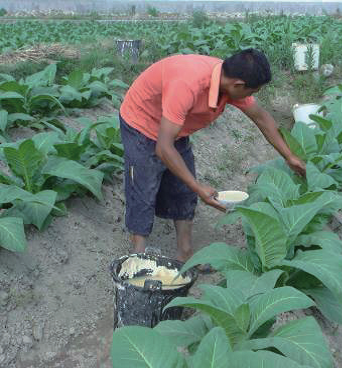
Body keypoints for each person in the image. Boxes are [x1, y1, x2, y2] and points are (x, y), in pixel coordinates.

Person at [119, 49, 306, 264]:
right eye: (251, 92)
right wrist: (199, 188)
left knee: (183, 190)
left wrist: (289, 156)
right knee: (143, 189)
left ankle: (185, 254)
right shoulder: (188, 84)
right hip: (142, 122)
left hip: (175, 127)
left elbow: (261, 118)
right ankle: (138, 259)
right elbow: (163, 148)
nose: (250, 97)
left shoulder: (229, 81)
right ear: (238, 85)